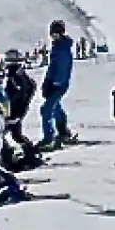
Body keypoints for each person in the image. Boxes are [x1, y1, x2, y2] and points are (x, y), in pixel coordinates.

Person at [40, 19, 75, 147]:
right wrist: (46, 81)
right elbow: (52, 67)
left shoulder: (62, 49)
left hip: (59, 84)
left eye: (56, 33)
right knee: (56, 108)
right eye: (52, 33)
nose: (53, 36)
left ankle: (48, 138)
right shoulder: (57, 47)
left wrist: (54, 83)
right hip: (54, 83)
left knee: (46, 109)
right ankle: (63, 131)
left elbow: (62, 68)